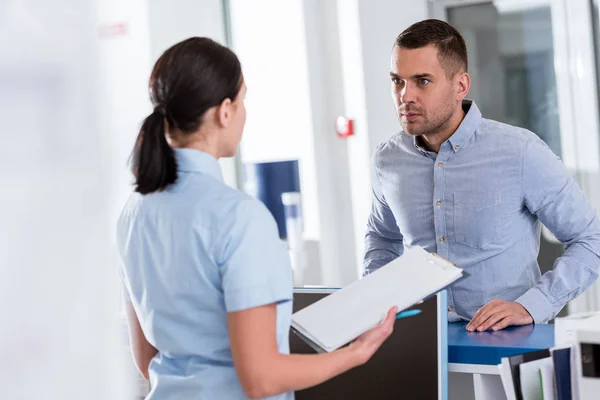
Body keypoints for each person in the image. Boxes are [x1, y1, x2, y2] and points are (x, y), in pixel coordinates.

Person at [116, 37, 396, 400]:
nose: (245, 112)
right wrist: (354, 354)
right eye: (243, 99)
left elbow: (146, 359)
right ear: (225, 111)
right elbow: (261, 379)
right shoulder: (238, 217)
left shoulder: (132, 212)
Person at [363, 19, 600, 332]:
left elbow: (590, 238)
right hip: (419, 343)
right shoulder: (388, 159)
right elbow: (382, 238)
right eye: (397, 81)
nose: (405, 96)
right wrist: (376, 303)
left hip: (508, 346)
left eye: (422, 81)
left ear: (460, 85)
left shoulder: (520, 151)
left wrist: (533, 305)